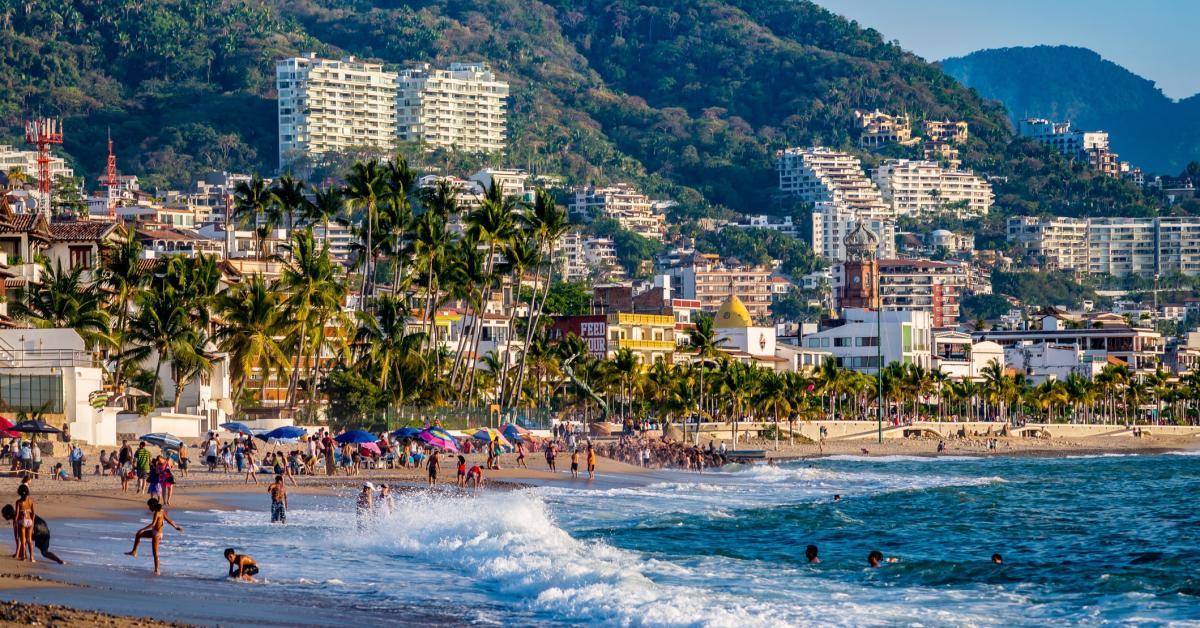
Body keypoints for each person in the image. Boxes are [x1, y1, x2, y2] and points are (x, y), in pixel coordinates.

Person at [125, 497, 183, 576]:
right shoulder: (161, 511)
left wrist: (142, 529)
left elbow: (153, 524)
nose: (149, 508)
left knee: (155, 553)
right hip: (154, 532)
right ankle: (134, 551)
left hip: (157, 535)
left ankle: (157, 570)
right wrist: (176, 527)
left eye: (149, 506)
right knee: (138, 534)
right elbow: (169, 520)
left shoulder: (157, 513)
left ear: (153, 505)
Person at [12, 484, 36, 562]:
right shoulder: (30, 500)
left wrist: (15, 522)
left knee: (23, 540)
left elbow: (17, 514)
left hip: (22, 521)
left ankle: (24, 556)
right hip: (29, 521)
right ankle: (32, 557)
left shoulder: (18, 502)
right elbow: (33, 513)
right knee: (29, 540)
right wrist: (32, 522)